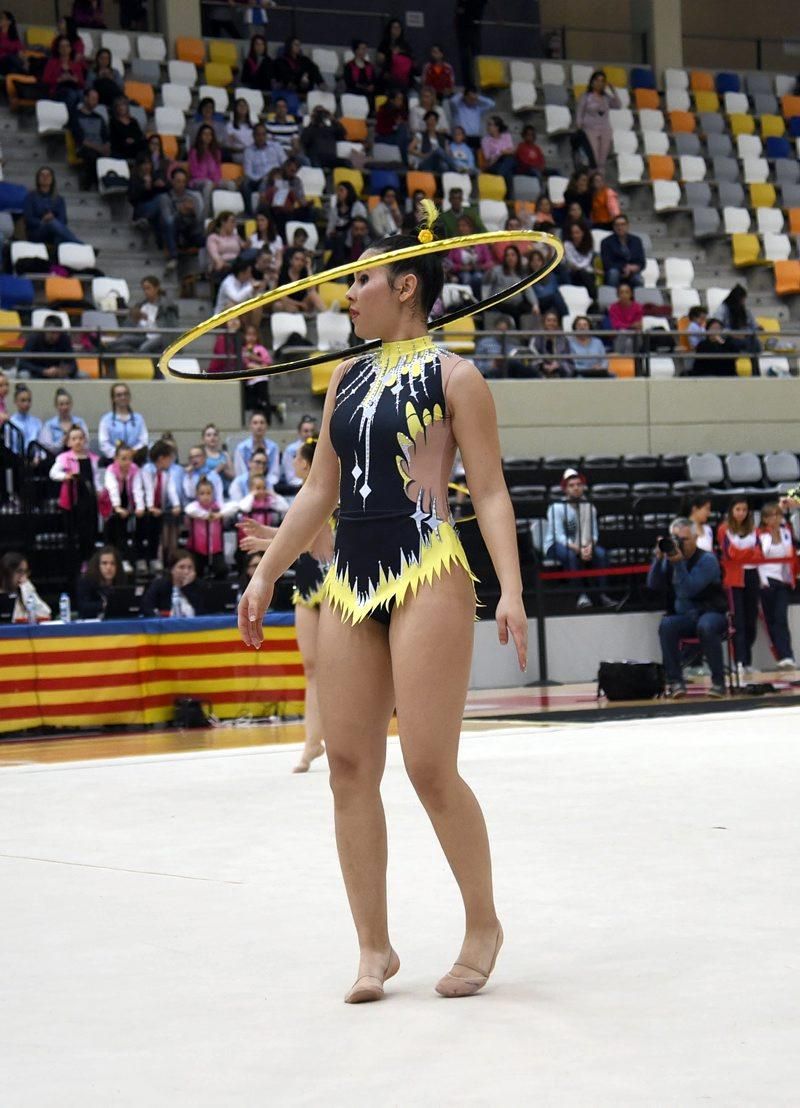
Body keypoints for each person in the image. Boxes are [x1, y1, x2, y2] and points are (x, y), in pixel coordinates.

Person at [239, 211, 526, 1004]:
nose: (347, 294)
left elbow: (493, 493)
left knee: (430, 766)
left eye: (360, 280)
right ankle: (374, 947)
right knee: (349, 766)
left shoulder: (456, 377)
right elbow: (317, 492)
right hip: (349, 578)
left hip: (429, 565)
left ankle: (483, 924)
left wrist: (510, 586)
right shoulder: (345, 379)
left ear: (405, 287)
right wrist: (267, 572)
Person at [241, 437, 332, 772]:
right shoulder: (302, 496)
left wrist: (264, 542)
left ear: (307, 463)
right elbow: (292, 531)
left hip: (331, 582)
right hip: (307, 583)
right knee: (311, 668)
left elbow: (308, 541)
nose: (292, 460)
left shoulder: (327, 490)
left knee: (334, 669)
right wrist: (266, 530)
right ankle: (312, 743)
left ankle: (338, 735)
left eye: (296, 457)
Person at [648, 517, 729, 698]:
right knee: (667, 625)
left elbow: (688, 590)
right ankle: (675, 681)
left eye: (683, 539)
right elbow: (653, 584)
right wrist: (658, 558)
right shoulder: (670, 558)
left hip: (711, 613)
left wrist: (678, 563)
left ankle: (718, 682)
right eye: (676, 539)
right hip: (686, 617)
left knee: (706, 626)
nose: (679, 544)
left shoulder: (707, 560)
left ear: (695, 538)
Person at [544, 469, 614, 608]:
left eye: (579, 484)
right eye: (571, 485)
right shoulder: (556, 507)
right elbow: (559, 536)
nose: (576, 488)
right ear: (565, 489)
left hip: (583, 544)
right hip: (555, 545)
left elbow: (594, 534)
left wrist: (589, 547)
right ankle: (580, 595)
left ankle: (602, 594)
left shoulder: (589, 507)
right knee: (570, 556)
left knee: (601, 554)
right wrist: (579, 549)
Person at [718, 497, 762, 675]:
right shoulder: (724, 529)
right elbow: (731, 554)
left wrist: (746, 554)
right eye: (738, 509)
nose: (741, 513)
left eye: (744, 510)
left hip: (752, 575)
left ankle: (747, 660)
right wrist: (747, 554)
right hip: (734, 578)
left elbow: (759, 553)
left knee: (751, 620)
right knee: (739, 622)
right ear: (731, 511)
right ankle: (739, 661)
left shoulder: (753, 529)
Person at [50, 423, 101, 566]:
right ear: (68, 442)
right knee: (73, 532)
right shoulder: (64, 457)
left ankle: (88, 560)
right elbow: (53, 473)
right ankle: (73, 562)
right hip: (72, 500)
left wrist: (99, 490)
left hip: (89, 499)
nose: (78, 441)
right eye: (74, 438)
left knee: (89, 532)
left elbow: (96, 477)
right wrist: (66, 476)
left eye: (80, 438)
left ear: (85, 440)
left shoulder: (92, 458)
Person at [758, 501, 798, 669]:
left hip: (782, 581)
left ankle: (788, 656)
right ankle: (780, 655)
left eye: (778, 514)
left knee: (780, 618)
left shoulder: (786, 532)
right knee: (771, 620)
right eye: (771, 515)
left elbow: (789, 554)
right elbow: (757, 560)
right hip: (766, 581)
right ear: (765, 519)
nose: (775, 518)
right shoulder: (760, 535)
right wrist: (762, 581)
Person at [108, 275, 178, 355]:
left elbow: (172, 328)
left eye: (148, 288)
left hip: (160, 336)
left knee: (144, 348)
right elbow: (130, 326)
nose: (146, 291)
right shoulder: (142, 305)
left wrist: (148, 318)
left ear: (156, 288)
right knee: (121, 341)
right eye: (144, 289)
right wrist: (135, 319)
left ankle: (133, 354)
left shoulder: (167, 306)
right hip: (145, 335)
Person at [141, 439, 182, 569]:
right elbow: (148, 489)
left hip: (158, 509)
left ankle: (156, 559)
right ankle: (144, 559)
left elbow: (171, 489)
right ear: (161, 458)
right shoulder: (147, 470)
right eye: (169, 458)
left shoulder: (166, 473)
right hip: (145, 509)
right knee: (145, 534)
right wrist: (150, 506)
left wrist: (176, 504)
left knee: (156, 534)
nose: (171, 461)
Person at [185, 476, 237, 578]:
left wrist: (219, 515)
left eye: (208, 493)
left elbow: (235, 506)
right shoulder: (195, 506)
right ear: (197, 495)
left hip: (215, 549)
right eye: (202, 493)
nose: (205, 496)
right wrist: (206, 516)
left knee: (222, 570)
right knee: (196, 573)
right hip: (197, 549)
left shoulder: (217, 506)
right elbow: (189, 510)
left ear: (213, 494)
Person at [23, 166, 84, 247]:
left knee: (58, 234)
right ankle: (81, 245)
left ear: (52, 179)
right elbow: (28, 219)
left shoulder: (59, 199)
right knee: (52, 224)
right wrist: (43, 221)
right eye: (42, 175)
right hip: (37, 231)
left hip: (54, 230)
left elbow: (63, 220)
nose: (45, 178)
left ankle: (59, 257)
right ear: (38, 179)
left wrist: (52, 220)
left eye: (48, 175)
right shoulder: (30, 197)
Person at [159, 167, 204, 269]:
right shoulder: (165, 197)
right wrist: (180, 212)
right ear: (172, 182)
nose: (181, 184)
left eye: (183, 182)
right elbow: (167, 219)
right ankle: (173, 257)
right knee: (170, 223)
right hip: (175, 230)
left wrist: (193, 212)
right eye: (178, 181)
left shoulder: (194, 196)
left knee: (208, 237)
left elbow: (200, 219)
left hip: (191, 230)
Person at [575, 69, 620, 170]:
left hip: (605, 129)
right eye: (597, 80)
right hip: (590, 129)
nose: (600, 83)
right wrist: (579, 127)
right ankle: (592, 181)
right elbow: (579, 112)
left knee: (602, 160)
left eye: (602, 81)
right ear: (592, 82)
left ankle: (600, 181)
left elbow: (617, 105)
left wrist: (613, 91)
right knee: (593, 158)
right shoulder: (586, 97)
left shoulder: (606, 97)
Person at [140, 551, 205, 617]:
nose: (186, 571)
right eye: (181, 567)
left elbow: (202, 611)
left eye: (190, 567)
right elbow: (146, 608)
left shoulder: (199, 586)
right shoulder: (160, 585)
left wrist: (187, 587)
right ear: (172, 569)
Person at [70, 87, 110, 188]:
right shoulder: (76, 116)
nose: (95, 102)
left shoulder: (99, 117)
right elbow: (80, 139)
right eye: (93, 98)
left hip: (99, 148)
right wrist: (99, 148)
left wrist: (106, 146)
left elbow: (105, 136)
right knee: (92, 155)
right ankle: (92, 184)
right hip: (84, 149)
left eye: (97, 99)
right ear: (85, 98)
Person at [97, 383, 149, 461]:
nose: (123, 397)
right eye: (119, 395)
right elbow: (104, 443)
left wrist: (132, 452)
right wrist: (119, 455)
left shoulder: (138, 418)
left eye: (126, 394)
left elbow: (144, 441)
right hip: (113, 460)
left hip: (136, 459)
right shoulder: (106, 420)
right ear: (113, 399)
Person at [243, 122, 286, 210]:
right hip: (258, 180)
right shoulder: (249, 151)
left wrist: (277, 174)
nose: (261, 137)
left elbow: (285, 164)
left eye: (263, 134)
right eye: (258, 135)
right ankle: (252, 212)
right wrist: (262, 177)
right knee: (246, 184)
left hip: (277, 176)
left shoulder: (276, 146)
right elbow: (248, 172)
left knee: (281, 181)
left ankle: (278, 210)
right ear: (253, 136)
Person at [0, 551, 51, 621]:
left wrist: (26, 588)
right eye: (19, 571)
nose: (23, 577)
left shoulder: (25, 590)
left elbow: (45, 614)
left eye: (25, 572)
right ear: (7, 573)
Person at [75, 544, 124, 618]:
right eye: (104, 563)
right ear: (97, 566)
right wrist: (104, 605)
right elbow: (83, 606)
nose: (109, 567)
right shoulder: (86, 581)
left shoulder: (121, 581)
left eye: (112, 563)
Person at [712, 285, 761, 357]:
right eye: (742, 299)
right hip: (729, 338)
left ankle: (754, 365)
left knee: (755, 342)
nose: (743, 302)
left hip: (745, 337)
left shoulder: (744, 310)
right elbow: (717, 328)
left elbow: (752, 324)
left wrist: (757, 327)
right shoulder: (722, 308)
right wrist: (733, 334)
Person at [235, 410, 279, 486]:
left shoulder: (273, 447)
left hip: (268, 485)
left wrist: (265, 484)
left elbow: (274, 473)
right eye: (255, 423)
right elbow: (241, 473)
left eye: (262, 423)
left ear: (266, 426)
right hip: (246, 485)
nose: (259, 426)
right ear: (250, 426)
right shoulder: (241, 448)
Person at [600, 214, 645, 288]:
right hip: (615, 272)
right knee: (613, 273)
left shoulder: (637, 241)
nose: (620, 227)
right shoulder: (606, 242)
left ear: (628, 226)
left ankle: (637, 299)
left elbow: (642, 262)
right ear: (613, 227)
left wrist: (635, 267)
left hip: (632, 273)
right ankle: (612, 298)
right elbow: (607, 263)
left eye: (623, 224)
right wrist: (624, 268)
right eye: (617, 225)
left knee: (639, 279)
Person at [42, 34, 85, 110]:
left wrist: (75, 80)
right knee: (71, 94)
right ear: (58, 49)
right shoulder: (52, 63)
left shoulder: (75, 65)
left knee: (82, 94)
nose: (65, 49)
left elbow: (82, 83)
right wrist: (59, 79)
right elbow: (45, 80)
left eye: (67, 46)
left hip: (73, 88)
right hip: (57, 90)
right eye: (62, 46)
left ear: (70, 48)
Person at [39, 388, 88, 453]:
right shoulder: (49, 425)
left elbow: (86, 445)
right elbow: (48, 449)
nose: (65, 407)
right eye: (61, 404)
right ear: (56, 405)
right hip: (56, 459)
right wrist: (62, 441)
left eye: (67, 403)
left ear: (71, 404)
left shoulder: (80, 422)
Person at [206, 210, 246, 287]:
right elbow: (215, 256)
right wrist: (224, 264)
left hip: (237, 263)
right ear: (223, 222)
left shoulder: (236, 237)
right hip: (223, 264)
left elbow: (245, 247)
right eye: (232, 222)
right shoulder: (213, 238)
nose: (234, 225)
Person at [529, 308, 572, 379]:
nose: (551, 323)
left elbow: (569, 361)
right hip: (540, 372)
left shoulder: (564, 340)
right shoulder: (536, 338)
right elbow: (532, 356)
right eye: (548, 320)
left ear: (558, 323)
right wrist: (542, 365)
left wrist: (559, 365)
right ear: (544, 322)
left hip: (559, 373)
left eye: (554, 321)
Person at [375, 17, 415, 89]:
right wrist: (391, 54)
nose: (397, 30)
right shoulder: (384, 44)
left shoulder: (405, 45)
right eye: (394, 27)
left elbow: (411, 61)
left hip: (403, 78)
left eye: (398, 27)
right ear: (390, 29)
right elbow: (379, 61)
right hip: (388, 76)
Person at [280, 415, 318, 489]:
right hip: (296, 487)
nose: (309, 434)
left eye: (312, 431)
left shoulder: (319, 448)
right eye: (306, 431)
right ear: (299, 432)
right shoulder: (291, 450)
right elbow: (291, 477)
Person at [480, 115, 515, 194]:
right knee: (508, 173)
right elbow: (488, 157)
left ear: (497, 127)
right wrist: (501, 153)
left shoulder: (506, 136)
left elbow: (512, 151)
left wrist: (500, 153)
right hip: (494, 163)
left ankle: (499, 176)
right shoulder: (485, 140)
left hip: (507, 160)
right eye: (487, 124)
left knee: (509, 159)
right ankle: (508, 198)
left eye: (490, 124)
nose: (487, 127)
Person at [608, 281, 644, 354]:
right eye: (621, 292)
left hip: (635, 336)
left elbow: (638, 325)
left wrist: (625, 326)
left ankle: (627, 361)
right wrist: (630, 326)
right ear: (618, 295)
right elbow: (616, 325)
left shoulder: (638, 307)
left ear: (631, 294)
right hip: (620, 336)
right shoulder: (613, 307)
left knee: (630, 339)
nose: (624, 295)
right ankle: (624, 361)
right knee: (625, 336)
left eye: (627, 292)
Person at [374, 89, 409, 163]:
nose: (401, 102)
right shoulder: (383, 110)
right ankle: (405, 162)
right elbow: (380, 130)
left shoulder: (401, 111)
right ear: (392, 100)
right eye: (398, 99)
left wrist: (398, 125)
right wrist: (395, 127)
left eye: (402, 99)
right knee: (403, 132)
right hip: (384, 137)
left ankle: (404, 161)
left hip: (397, 137)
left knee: (406, 136)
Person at [108, 95, 146, 161]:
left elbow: (139, 135)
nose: (121, 108)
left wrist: (133, 140)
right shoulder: (113, 122)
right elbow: (114, 138)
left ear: (127, 107)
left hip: (134, 146)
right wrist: (125, 140)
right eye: (118, 105)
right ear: (116, 108)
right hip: (121, 148)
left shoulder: (133, 121)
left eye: (123, 105)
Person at [343, 40, 376, 108]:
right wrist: (364, 87)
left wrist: (372, 86)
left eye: (365, 49)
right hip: (354, 92)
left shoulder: (369, 65)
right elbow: (349, 82)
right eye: (362, 49)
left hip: (368, 93)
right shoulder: (349, 66)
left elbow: (373, 79)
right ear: (356, 50)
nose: (364, 51)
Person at [9, 384, 42, 451]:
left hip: (34, 459)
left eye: (29, 400)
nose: (26, 404)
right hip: (14, 459)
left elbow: (41, 445)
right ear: (15, 401)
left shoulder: (37, 422)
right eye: (23, 400)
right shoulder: (10, 423)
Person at [225, 97, 256, 163]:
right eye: (240, 105)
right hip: (239, 154)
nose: (242, 107)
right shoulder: (230, 126)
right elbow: (229, 145)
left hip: (254, 153)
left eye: (244, 105)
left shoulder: (254, 125)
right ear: (235, 109)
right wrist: (242, 150)